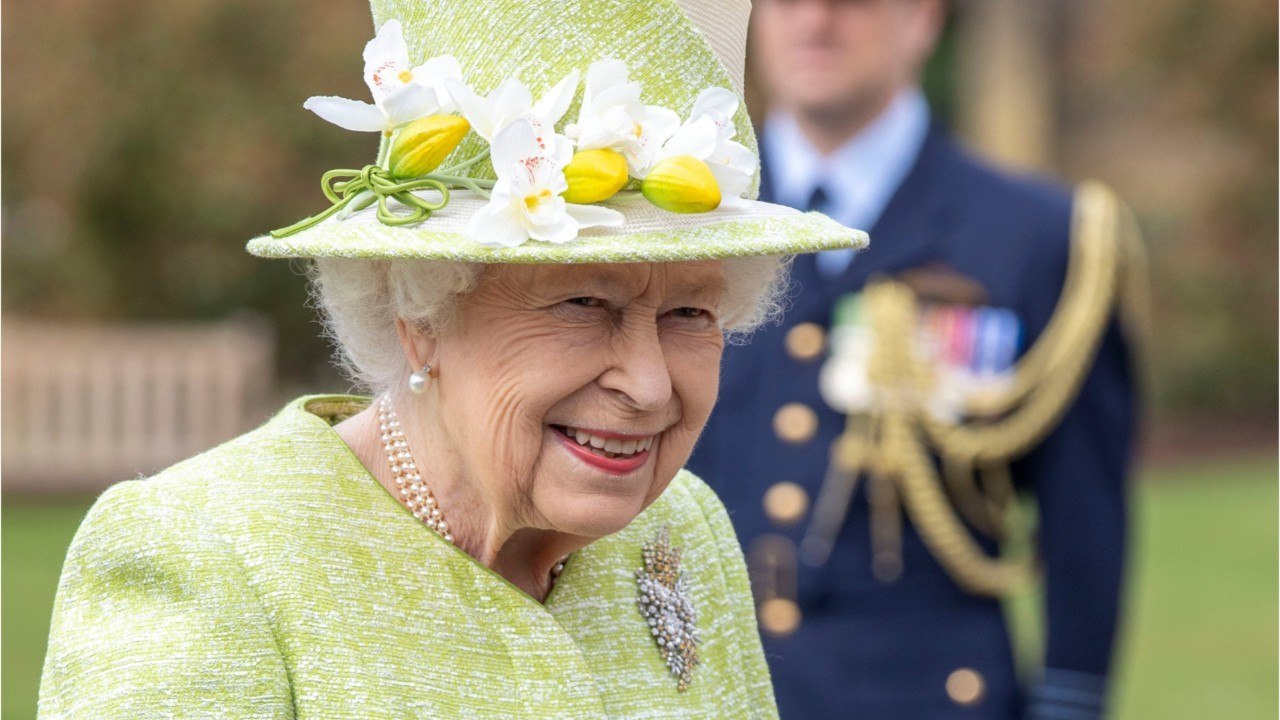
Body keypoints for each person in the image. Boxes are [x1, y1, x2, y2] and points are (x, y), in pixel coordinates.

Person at [36, 1, 867, 717]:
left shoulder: (686, 528)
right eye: (585, 304)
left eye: (691, 312)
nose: (649, 385)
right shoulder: (205, 555)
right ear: (418, 311)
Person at [689, 0, 1138, 718]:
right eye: (784, 2)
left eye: (850, 2)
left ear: (923, 18)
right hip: (703, 684)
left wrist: (1068, 702)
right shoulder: (688, 215)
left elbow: (1083, 515)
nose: (814, 23)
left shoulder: (1036, 236)